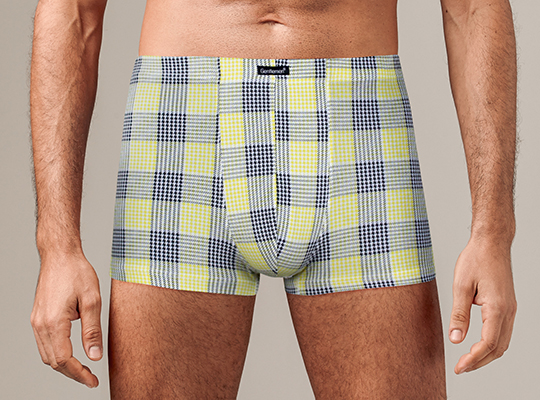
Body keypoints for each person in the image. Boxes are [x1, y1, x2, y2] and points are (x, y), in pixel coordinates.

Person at [29, 0, 517, 398]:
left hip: (359, 120)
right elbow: (73, 11)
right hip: (182, 121)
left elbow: (473, 8)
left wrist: (493, 232)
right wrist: (57, 246)